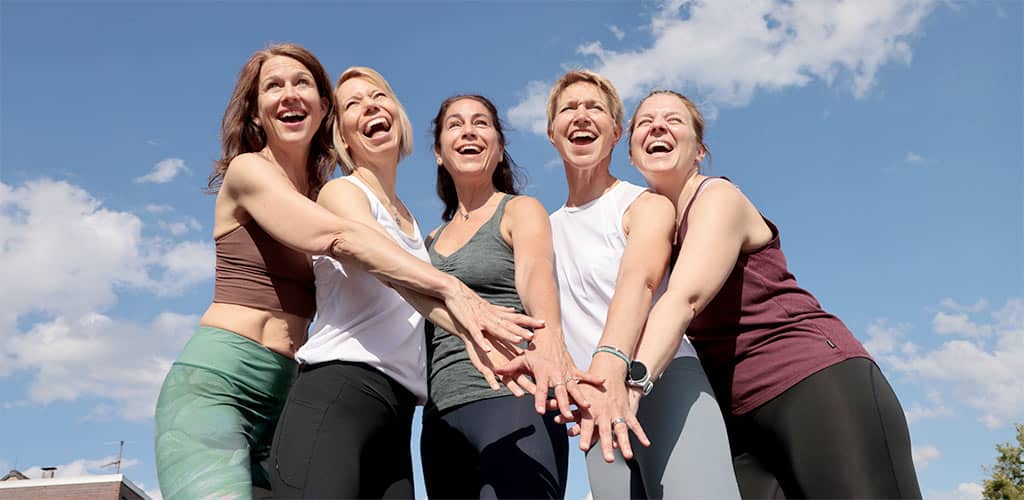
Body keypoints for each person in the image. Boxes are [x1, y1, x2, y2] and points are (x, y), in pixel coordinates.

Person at [152, 45, 536, 500]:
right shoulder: (250, 171)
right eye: (273, 86)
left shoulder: (321, 193)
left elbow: (395, 280)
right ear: (255, 112)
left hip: (289, 387)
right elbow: (341, 239)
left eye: (301, 83)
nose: (289, 94)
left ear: (321, 110)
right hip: (222, 381)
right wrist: (455, 290)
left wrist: (475, 330)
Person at [626, 89, 922, 498]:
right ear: (631, 155)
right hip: (736, 416)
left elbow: (684, 299)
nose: (658, 126)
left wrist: (631, 385)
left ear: (700, 152)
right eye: (645, 122)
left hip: (811, 382)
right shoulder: (647, 231)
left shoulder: (717, 198)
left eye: (674, 120)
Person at [545, 71, 741, 500]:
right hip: (595, 405)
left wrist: (613, 363)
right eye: (569, 109)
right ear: (551, 132)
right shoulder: (543, 231)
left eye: (595, 108)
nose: (581, 116)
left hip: (662, 382)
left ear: (616, 133)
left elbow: (641, 281)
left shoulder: (644, 205)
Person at [418, 94, 594, 499]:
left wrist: (550, 338)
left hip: (514, 400)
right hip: (441, 416)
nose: (468, 131)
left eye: (481, 123)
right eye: (455, 124)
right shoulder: (428, 241)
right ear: (439, 153)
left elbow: (536, 272)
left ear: (499, 149)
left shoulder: (519, 211)